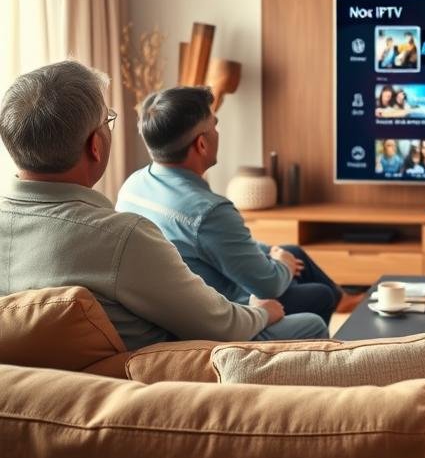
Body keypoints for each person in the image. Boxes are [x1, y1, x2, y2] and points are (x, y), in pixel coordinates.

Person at [0, 60, 306, 349]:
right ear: (95, 145)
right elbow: (221, 325)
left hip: (44, 381)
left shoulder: (130, 193)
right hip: (169, 369)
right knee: (310, 323)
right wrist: (263, 312)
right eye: (107, 120)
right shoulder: (122, 237)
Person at [117, 87, 363, 335]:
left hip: (184, 295)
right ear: (201, 144)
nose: (217, 131)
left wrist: (273, 253)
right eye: (215, 125)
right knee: (319, 297)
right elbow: (268, 286)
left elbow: (219, 244)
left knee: (293, 251)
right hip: (224, 311)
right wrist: (284, 264)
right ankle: (323, 333)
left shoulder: (132, 185)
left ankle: (343, 299)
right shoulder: (209, 211)